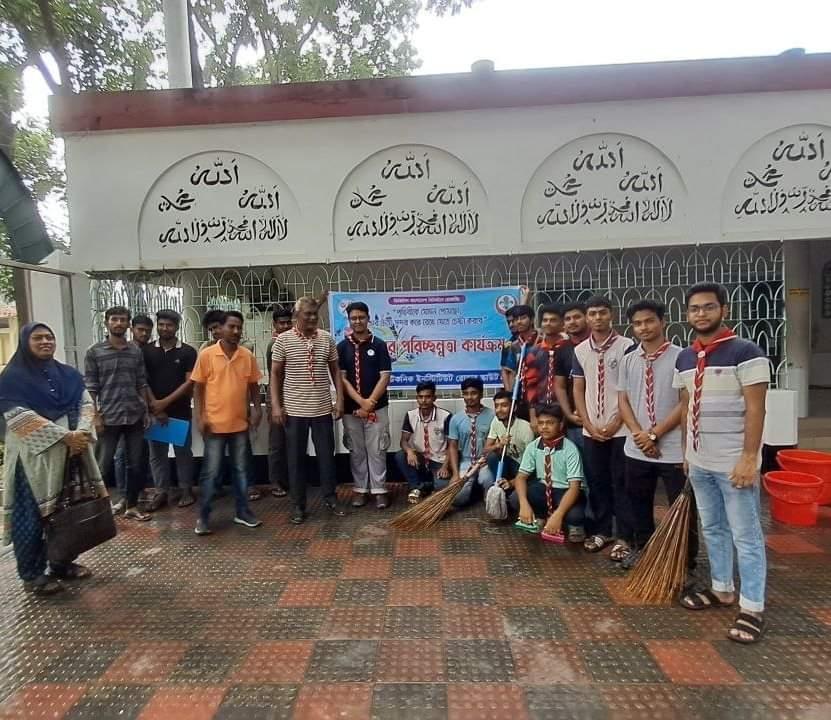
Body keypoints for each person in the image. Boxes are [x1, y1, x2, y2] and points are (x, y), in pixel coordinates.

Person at [675, 283, 769, 645]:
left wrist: (749, 457)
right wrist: (687, 452)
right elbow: (686, 406)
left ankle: (752, 606)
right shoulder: (686, 358)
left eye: (708, 307)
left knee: (746, 534)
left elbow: (757, 408)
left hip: (734, 463)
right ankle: (722, 588)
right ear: (687, 314)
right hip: (700, 461)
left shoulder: (746, 352)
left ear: (723, 310)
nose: (701, 314)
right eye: (695, 308)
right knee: (713, 527)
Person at [0, 323, 107, 595]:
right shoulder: (11, 379)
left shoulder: (68, 374)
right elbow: (19, 418)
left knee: (67, 512)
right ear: (25, 342)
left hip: (72, 455)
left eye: (49, 337)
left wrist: (81, 433)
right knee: (31, 516)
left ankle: (61, 562)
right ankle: (32, 574)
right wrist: (64, 437)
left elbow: (86, 403)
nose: (45, 342)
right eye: (38, 338)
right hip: (33, 461)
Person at [617, 300, 698, 571]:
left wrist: (655, 434)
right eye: (637, 323)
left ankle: (684, 560)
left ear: (662, 322)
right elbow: (623, 400)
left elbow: (686, 402)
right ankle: (644, 549)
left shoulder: (682, 357)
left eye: (649, 321)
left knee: (682, 507)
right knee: (638, 503)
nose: (644, 327)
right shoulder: (628, 360)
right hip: (636, 448)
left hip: (673, 449)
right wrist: (639, 435)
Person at [271, 297, 347, 524]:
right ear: (297, 316)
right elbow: (275, 374)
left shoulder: (326, 338)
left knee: (326, 456)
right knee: (295, 460)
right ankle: (298, 505)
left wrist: (339, 400)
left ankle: (330, 497)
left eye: (315, 313)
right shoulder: (283, 340)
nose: (313, 318)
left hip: (322, 408)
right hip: (294, 411)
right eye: (308, 314)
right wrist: (276, 406)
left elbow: (335, 371)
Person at [572, 296, 634, 559]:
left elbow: (630, 388)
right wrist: (587, 423)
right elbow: (578, 388)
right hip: (592, 430)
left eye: (602, 312)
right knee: (597, 481)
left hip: (621, 429)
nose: (597, 318)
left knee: (622, 482)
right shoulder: (580, 350)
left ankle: (625, 536)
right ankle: (602, 530)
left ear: (611, 315)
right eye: (592, 313)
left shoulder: (627, 346)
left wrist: (616, 421)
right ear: (587, 318)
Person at [190, 311, 263, 534]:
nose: (236, 331)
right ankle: (204, 517)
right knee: (211, 473)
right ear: (220, 328)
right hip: (214, 426)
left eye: (239, 327)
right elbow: (198, 388)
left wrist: (257, 409)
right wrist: (200, 417)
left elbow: (253, 386)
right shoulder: (207, 355)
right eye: (231, 327)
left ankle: (243, 512)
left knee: (241, 471)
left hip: (240, 425)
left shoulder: (246, 355)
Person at [85, 306, 152, 521]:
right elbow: (91, 387)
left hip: (134, 415)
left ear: (128, 324)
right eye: (114, 319)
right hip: (109, 417)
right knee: (102, 466)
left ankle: (132, 506)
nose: (119, 323)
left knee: (136, 464)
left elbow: (141, 382)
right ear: (106, 322)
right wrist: (95, 416)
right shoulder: (94, 352)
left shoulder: (135, 351)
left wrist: (146, 410)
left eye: (123, 320)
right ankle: (98, 511)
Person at [338, 302, 393, 509]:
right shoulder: (342, 347)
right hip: (351, 410)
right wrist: (361, 402)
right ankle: (360, 489)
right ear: (349, 321)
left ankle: (379, 490)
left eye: (361, 317)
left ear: (368, 318)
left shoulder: (379, 345)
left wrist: (370, 403)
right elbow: (342, 379)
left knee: (377, 449)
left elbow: (385, 376)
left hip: (377, 408)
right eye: (353, 318)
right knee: (357, 450)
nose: (358, 321)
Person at [144, 309, 198, 509]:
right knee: (157, 455)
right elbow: (142, 381)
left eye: (169, 325)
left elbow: (189, 383)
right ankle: (161, 492)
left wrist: (164, 403)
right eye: (161, 324)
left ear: (177, 327)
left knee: (183, 453)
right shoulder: (146, 351)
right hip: (155, 413)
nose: (165, 328)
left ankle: (186, 490)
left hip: (180, 412)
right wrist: (155, 407)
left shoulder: (188, 352)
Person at [513, 403, 587, 542]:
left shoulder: (570, 449)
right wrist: (523, 504)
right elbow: (520, 477)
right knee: (516, 498)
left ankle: (572, 524)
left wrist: (558, 514)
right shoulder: (533, 446)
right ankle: (541, 516)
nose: (544, 427)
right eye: (541, 423)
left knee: (575, 515)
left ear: (560, 425)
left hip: (565, 490)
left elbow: (574, 487)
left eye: (550, 423)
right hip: (545, 488)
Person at [114, 313, 154, 497]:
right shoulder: (124, 350)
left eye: (147, 331)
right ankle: (124, 494)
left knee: (143, 452)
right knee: (122, 454)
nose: (144, 334)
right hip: (124, 410)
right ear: (132, 329)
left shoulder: (150, 351)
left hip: (145, 410)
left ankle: (141, 489)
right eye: (140, 330)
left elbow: (146, 381)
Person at [396, 381, 452, 504]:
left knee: (442, 486)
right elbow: (403, 441)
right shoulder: (411, 415)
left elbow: (451, 445)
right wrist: (410, 451)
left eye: (428, 397)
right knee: (400, 455)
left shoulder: (445, 416)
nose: (424, 400)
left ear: (434, 398)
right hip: (420, 458)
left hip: (439, 460)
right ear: (417, 398)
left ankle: (424, 486)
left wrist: (445, 466)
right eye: (420, 397)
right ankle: (416, 487)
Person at [445, 377, 495, 507]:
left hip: (485, 461)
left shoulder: (492, 416)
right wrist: (455, 474)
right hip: (466, 461)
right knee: (457, 499)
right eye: (466, 393)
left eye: (473, 393)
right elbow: (452, 446)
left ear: (481, 394)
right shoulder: (456, 419)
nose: (469, 397)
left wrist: (488, 458)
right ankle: (472, 489)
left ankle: (484, 491)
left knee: (487, 480)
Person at [484, 388, 535, 504]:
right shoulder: (496, 421)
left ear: (514, 408)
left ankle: (510, 490)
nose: (499, 410)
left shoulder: (526, 429)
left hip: (523, 468)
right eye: (496, 406)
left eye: (504, 405)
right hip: (507, 464)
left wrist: (512, 483)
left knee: (514, 501)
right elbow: (486, 450)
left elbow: (532, 465)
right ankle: (500, 486)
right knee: (492, 456)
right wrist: (499, 445)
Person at [523, 304, 569, 432]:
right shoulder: (534, 351)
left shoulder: (570, 349)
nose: (548, 323)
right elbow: (530, 385)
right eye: (545, 320)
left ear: (562, 324)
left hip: (566, 410)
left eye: (553, 320)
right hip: (541, 410)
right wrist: (533, 415)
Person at [264, 305, 293, 498]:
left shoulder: (293, 341)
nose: (285, 326)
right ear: (274, 325)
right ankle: (275, 481)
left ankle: (291, 479)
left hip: (293, 397)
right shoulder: (274, 345)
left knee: (292, 441)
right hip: (277, 397)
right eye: (281, 323)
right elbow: (277, 376)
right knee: (277, 442)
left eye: (288, 322)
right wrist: (277, 404)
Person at [554, 301, 590, 447]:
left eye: (577, 317)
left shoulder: (598, 345)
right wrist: (568, 414)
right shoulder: (562, 350)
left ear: (586, 318)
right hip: (576, 421)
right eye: (568, 319)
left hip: (603, 419)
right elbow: (560, 386)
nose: (572, 322)